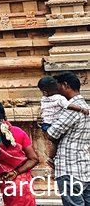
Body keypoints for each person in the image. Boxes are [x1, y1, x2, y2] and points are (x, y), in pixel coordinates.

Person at [46, 71, 90, 206]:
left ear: (65, 85)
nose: (55, 90)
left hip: (69, 167)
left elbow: (52, 133)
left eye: (57, 86)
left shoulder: (72, 109)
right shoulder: (86, 107)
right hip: (84, 167)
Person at [0, 100, 37, 206]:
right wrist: (16, 172)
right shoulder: (18, 132)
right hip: (22, 183)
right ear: (3, 113)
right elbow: (34, 159)